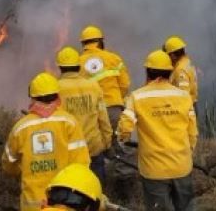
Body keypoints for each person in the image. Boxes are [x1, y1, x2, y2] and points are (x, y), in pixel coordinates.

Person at [118, 50, 197, 211]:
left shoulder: (137, 97)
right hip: (182, 165)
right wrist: (188, 152)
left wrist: (122, 138)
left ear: (148, 72)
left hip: (154, 170)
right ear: (169, 72)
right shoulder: (184, 96)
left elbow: (125, 128)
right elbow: (192, 132)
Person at [2, 72, 90, 210]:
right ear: (57, 95)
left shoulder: (21, 127)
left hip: (32, 204)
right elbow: (81, 164)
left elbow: (8, 165)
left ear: (33, 98)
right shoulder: (69, 123)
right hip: (64, 203)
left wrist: (24, 167)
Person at [55, 47, 112, 184]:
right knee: (96, 190)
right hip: (93, 147)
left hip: (69, 151)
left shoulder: (56, 88)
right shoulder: (93, 86)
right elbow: (103, 117)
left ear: (60, 68)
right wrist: (106, 142)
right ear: (78, 66)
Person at [77, 26, 130, 132]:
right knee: (114, 140)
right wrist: (118, 99)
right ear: (100, 41)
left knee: (97, 144)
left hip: (91, 112)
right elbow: (125, 84)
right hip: (113, 107)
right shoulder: (113, 58)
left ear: (83, 44)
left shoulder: (78, 62)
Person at [163, 36, 198, 105]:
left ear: (172, 55)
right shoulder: (187, 63)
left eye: (167, 55)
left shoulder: (180, 70)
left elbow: (183, 95)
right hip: (189, 107)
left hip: (185, 110)